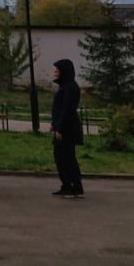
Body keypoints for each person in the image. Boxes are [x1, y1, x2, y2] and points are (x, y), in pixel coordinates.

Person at [51, 58, 84, 198]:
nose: (55, 73)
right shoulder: (66, 86)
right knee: (66, 157)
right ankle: (72, 185)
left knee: (64, 157)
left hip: (67, 128)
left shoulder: (69, 87)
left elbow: (66, 110)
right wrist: (54, 124)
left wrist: (60, 128)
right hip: (64, 126)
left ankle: (70, 185)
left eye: (57, 70)